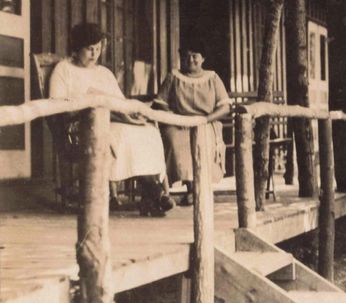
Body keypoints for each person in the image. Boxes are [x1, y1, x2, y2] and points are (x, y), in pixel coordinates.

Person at [49, 22, 174, 217]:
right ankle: (153, 193)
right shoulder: (63, 70)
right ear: (77, 48)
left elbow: (120, 102)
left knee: (146, 131)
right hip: (80, 126)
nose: (94, 54)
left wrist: (132, 113)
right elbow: (57, 105)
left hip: (112, 119)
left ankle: (150, 192)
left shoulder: (104, 73)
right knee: (122, 135)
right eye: (89, 49)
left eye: (98, 49)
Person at [154, 43, 230, 204]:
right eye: (186, 56)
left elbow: (225, 107)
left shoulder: (213, 77)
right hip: (177, 123)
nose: (190, 60)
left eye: (195, 55)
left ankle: (197, 189)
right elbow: (159, 103)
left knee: (204, 140)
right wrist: (174, 117)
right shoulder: (173, 76)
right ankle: (191, 189)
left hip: (205, 122)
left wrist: (206, 120)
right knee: (175, 141)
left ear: (203, 58)